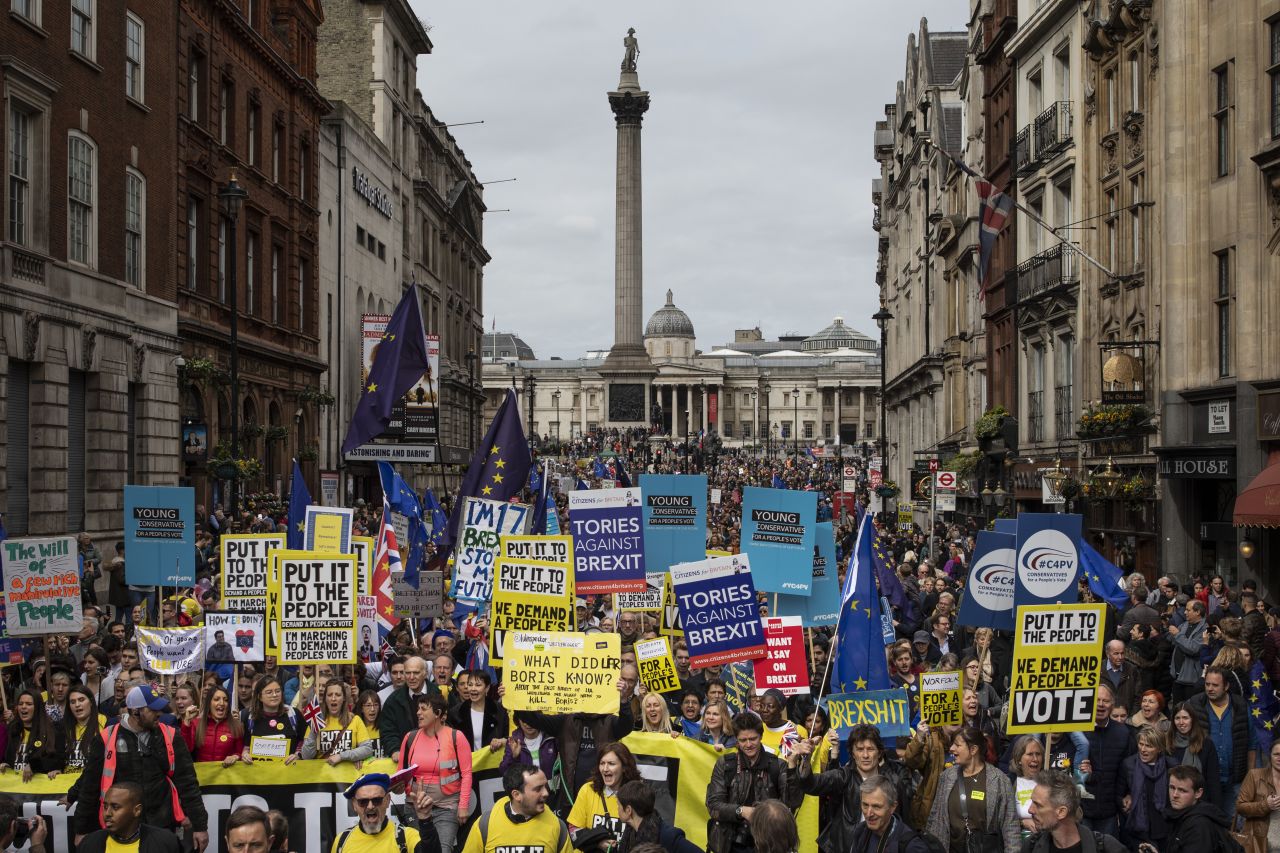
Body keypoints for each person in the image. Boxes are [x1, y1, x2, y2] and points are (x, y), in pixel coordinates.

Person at [74, 686, 208, 851]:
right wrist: (81, 830)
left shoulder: (171, 736)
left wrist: (200, 826)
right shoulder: (105, 739)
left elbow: (188, 784)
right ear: (135, 711)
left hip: (162, 826)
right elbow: (89, 787)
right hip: (120, 831)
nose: (159, 714)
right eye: (152, 710)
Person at [794, 723, 914, 853]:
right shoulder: (843, 777)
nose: (865, 755)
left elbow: (906, 822)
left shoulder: (893, 782)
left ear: (879, 753)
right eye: (860, 749)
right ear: (852, 753)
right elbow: (810, 784)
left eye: (870, 749)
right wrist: (806, 759)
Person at [705, 713, 802, 853]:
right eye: (743, 740)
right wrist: (742, 811)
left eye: (753, 739)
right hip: (729, 843)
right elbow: (713, 806)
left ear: (761, 737)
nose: (748, 744)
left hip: (768, 843)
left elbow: (793, 804)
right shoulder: (725, 763)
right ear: (736, 740)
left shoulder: (777, 765)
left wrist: (793, 766)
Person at [924, 725, 1020, 853]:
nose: (951, 749)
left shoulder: (999, 781)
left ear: (973, 749)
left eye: (957, 745)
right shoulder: (946, 777)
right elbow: (935, 819)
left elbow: (1011, 827)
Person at [396, 693, 471, 853]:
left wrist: (463, 805)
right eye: (418, 709)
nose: (418, 713)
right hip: (414, 807)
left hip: (446, 808)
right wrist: (397, 786)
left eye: (423, 709)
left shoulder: (456, 737)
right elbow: (401, 774)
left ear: (437, 714)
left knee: (443, 850)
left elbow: (466, 774)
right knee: (419, 850)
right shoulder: (410, 737)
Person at [1186, 665, 1256, 821]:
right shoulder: (1194, 705)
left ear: (1226, 686)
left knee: (1235, 823)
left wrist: (1250, 777)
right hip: (1204, 780)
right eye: (1207, 684)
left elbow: (1251, 744)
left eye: (1215, 685)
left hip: (1234, 779)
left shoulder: (1240, 707)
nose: (1210, 688)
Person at [460, 765, 573, 853]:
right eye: (538, 789)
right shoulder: (485, 824)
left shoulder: (557, 826)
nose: (545, 793)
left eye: (545, 786)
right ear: (516, 795)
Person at [331, 772, 441, 853]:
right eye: (363, 802)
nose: (370, 806)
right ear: (354, 805)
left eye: (377, 800)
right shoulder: (342, 841)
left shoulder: (406, 837)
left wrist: (426, 821)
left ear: (387, 800)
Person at [1022, 770, 1127, 853]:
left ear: (1061, 812)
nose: (1030, 810)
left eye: (1038, 805)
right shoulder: (1031, 846)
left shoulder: (1106, 848)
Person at [1081, 683, 1134, 834]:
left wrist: (1129, 793)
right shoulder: (1077, 730)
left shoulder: (1123, 733)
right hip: (1081, 810)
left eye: (1105, 701)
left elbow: (1130, 768)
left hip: (1110, 811)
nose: (1101, 705)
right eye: (1097, 700)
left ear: (1112, 705)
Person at [567, 742, 643, 847]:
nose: (605, 769)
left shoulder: (637, 795)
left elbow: (645, 834)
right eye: (602, 763)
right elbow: (573, 830)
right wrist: (597, 843)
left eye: (611, 764)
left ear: (624, 767)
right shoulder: (588, 790)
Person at [76, 781, 181, 853]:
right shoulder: (89, 844)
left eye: (115, 807)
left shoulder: (164, 843)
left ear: (137, 810)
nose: (107, 813)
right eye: (105, 806)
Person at [1119, 726, 1174, 848]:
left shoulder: (1171, 766)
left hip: (1165, 828)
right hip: (1138, 832)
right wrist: (1125, 801)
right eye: (1141, 744)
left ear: (1159, 748)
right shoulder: (1129, 765)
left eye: (1149, 746)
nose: (1143, 749)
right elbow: (1118, 794)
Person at [848, 775, 934, 853]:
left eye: (876, 807)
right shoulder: (861, 830)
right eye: (865, 805)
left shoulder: (912, 846)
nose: (868, 813)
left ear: (893, 807)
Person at [615, 778, 701, 853]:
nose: (617, 808)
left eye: (618, 805)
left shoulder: (668, 836)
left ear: (628, 810)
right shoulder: (630, 833)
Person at [302, 678, 376, 765]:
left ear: (344, 698)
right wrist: (313, 732)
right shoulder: (316, 720)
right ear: (325, 698)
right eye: (329, 695)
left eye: (337, 695)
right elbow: (306, 756)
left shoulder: (355, 720)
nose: (333, 698)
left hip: (348, 776)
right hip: (322, 776)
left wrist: (341, 756)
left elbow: (367, 749)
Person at [1164, 765, 1232, 853]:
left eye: (1182, 790)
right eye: (1172, 788)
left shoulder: (1199, 826)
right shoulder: (1180, 815)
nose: (1175, 795)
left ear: (1198, 793)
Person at [379, 656, 436, 759]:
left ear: (425, 673)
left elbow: (450, 725)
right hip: (405, 758)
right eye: (408, 673)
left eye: (416, 673)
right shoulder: (393, 700)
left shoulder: (439, 694)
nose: (411, 677)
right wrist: (394, 750)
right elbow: (388, 731)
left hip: (436, 755)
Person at [1, 689, 64, 781]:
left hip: (37, 791)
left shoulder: (52, 731)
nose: (23, 707)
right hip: (14, 789)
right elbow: (7, 756)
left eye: (29, 704)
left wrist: (34, 766)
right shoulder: (12, 729)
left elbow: (59, 759)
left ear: (38, 707)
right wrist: (6, 764)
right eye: (20, 703)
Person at [240, 676, 302, 764]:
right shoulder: (250, 717)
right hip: (260, 774)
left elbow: (305, 740)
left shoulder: (293, 714)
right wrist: (245, 754)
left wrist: (297, 755)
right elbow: (246, 746)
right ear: (260, 697)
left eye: (277, 691)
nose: (274, 695)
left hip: (288, 773)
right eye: (269, 692)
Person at [1235, 738, 1280, 853]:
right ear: (1270, 755)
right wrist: (1265, 805)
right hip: (1260, 845)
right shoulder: (1255, 776)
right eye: (1276, 754)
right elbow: (1240, 807)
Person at [446, 669, 507, 752]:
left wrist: (503, 741)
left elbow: (508, 737)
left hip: (493, 762)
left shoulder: (500, 710)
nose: (473, 689)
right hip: (466, 763)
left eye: (478, 685)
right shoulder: (456, 712)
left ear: (487, 688)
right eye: (470, 685)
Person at [185, 684, 244, 765]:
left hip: (227, 775)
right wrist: (186, 723)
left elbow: (240, 753)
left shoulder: (236, 726)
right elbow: (186, 749)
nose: (222, 703)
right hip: (202, 775)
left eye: (226, 700)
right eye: (216, 699)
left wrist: (235, 757)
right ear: (209, 703)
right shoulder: (196, 724)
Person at [1169, 600, 1208, 704]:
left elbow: (1194, 649)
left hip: (1191, 680)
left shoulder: (1205, 629)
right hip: (1177, 677)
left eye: (1188, 610)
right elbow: (1175, 644)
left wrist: (1177, 634)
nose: (1185, 612)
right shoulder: (1184, 625)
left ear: (1197, 612)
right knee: (1176, 711)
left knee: (1190, 712)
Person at [1008, 735, 1046, 834]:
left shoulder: (1048, 782)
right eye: (1030, 754)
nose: (1035, 759)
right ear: (1019, 759)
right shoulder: (1009, 783)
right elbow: (1001, 817)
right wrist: (1021, 822)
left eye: (1038, 754)